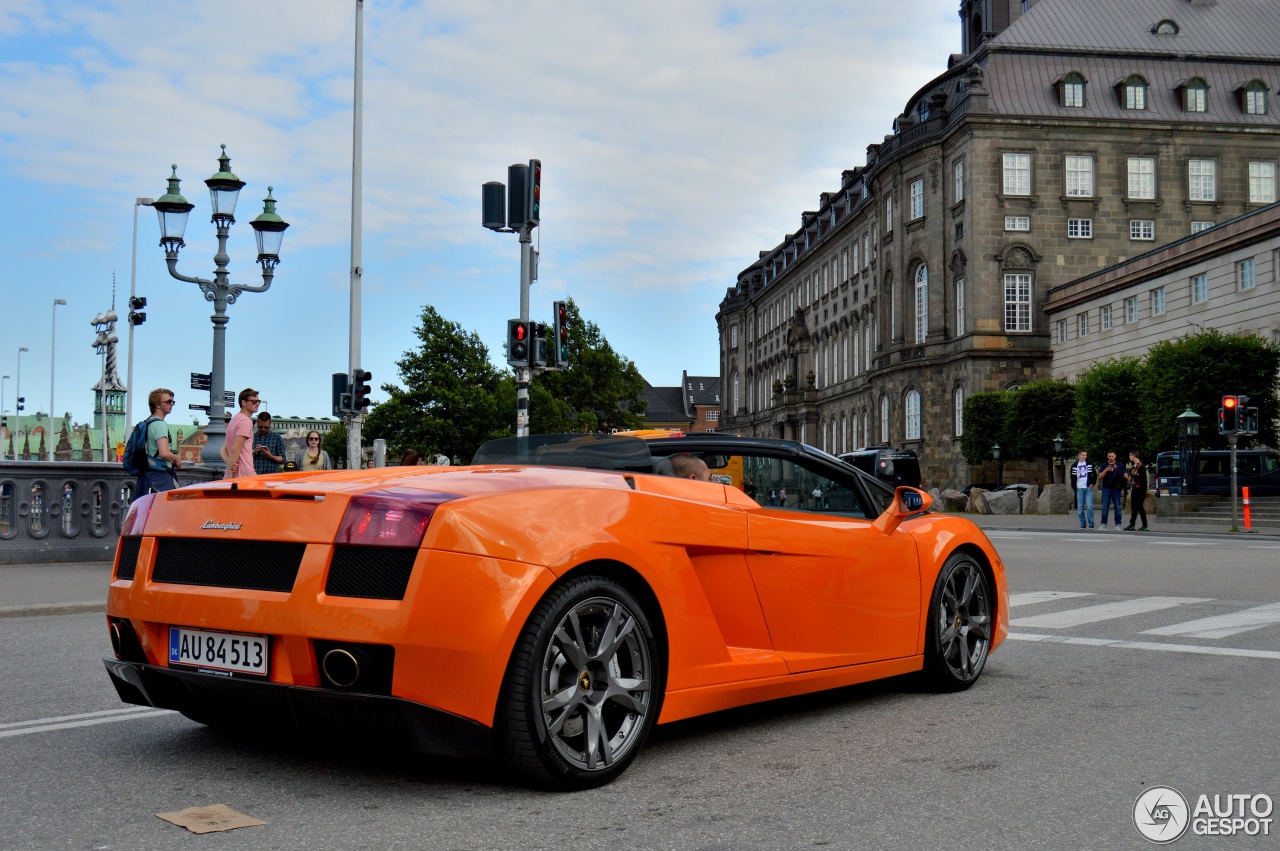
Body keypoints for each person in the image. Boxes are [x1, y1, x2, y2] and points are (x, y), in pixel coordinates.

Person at [139, 388, 183, 493]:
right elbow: (164, 453)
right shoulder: (160, 424)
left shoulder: (149, 422)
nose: (171, 404)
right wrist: (177, 459)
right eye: (168, 402)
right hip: (160, 477)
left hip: (148, 475)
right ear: (157, 405)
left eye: (173, 401)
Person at [222, 388, 259, 479]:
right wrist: (231, 472)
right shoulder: (245, 421)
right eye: (254, 401)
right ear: (244, 403)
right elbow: (235, 448)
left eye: (258, 401)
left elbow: (223, 450)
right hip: (244, 473)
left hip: (232, 473)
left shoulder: (233, 420)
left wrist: (230, 466)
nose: (257, 404)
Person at [1098, 450, 1126, 530]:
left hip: (1116, 488)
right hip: (1106, 488)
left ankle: (1118, 524)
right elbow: (1100, 476)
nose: (1111, 458)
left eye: (1112, 456)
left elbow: (1126, 476)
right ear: (1107, 456)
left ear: (1115, 456)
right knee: (1105, 507)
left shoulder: (1119, 465)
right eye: (1109, 456)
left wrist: (1119, 470)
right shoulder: (1104, 465)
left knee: (1117, 507)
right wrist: (1106, 470)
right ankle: (1104, 524)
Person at [1071, 450, 1096, 530]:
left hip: (1088, 487)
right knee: (1080, 507)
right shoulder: (1074, 465)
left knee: (1089, 506)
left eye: (1085, 455)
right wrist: (1074, 486)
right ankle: (1083, 524)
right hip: (1079, 488)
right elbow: (1072, 477)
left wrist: (1092, 483)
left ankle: (1091, 524)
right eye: (1083, 455)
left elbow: (1094, 474)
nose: (1084, 457)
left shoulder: (1090, 464)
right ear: (1079, 456)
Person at [1125, 451, 1149, 531]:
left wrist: (1133, 476)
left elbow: (1142, 478)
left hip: (1140, 489)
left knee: (1140, 506)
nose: (1129, 456)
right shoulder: (1134, 466)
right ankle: (1132, 524)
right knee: (1134, 507)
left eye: (1130, 455)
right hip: (1135, 488)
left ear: (1134, 456)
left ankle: (1145, 525)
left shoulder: (1141, 466)